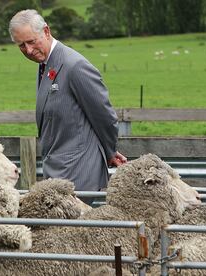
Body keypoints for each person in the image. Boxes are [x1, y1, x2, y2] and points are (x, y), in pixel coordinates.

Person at [9, 9, 127, 197]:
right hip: (58, 171)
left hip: (78, 173)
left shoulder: (75, 66)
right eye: (21, 46)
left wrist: (110, 151)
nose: (28, 50)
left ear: (46, 32)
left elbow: (104, 116)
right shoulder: (46, 65)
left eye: (31, 42)